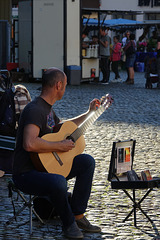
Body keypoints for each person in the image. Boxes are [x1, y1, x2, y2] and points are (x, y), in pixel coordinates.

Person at [12, 68, 102, 239]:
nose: (65, 89)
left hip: (45, 167)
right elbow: (29, 143)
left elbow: (64, 128)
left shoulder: (48, 109)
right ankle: (68, 225)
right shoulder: (35, 110)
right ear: (58, 85)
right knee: (59, 182)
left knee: (86, 162)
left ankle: (78, 215)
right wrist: (59, 146)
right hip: (26, 173)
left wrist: (89, 112)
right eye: (65, 85)